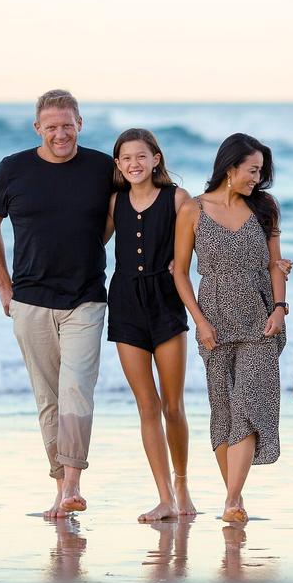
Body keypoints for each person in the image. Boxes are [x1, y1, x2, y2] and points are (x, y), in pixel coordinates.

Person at [0, 89, 114, 518]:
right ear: (38, 128)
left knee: (77, 390)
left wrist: (88, 249)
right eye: (52, 126)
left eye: (68, 125)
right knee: (48, 398)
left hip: (86, 297)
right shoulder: (13, 168)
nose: (61, 134)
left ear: (80, 123)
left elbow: (117, 216)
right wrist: (4, 284)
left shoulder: (101, 167)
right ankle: (60, 489)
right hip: (30, 301)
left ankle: (73, 483)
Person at [174, 133, 290, 524]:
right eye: (252, 170)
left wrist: (280, 307)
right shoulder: (193, 210)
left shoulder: (265, 207)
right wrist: (199, 320)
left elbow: (276, 264)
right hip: (214, 321)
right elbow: (180, 272)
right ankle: (233, 501)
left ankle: (233, 499)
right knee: (222, 411)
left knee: (248, 404)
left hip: (260, 318)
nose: (257, 178)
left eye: (260, 172)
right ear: (230, 167)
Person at [104, 128, 195, 521]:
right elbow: (89, 245)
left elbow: (202, 242)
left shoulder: (178, 198)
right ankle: (163, 497)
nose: (133, 164)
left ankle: (181, 484)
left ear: (156, 159)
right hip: (125, 303)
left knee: (172, 405)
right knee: (147, 405)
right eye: (126, 158)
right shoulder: (114, 203)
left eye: (141, 156)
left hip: (166, 302)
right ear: (118, 165)